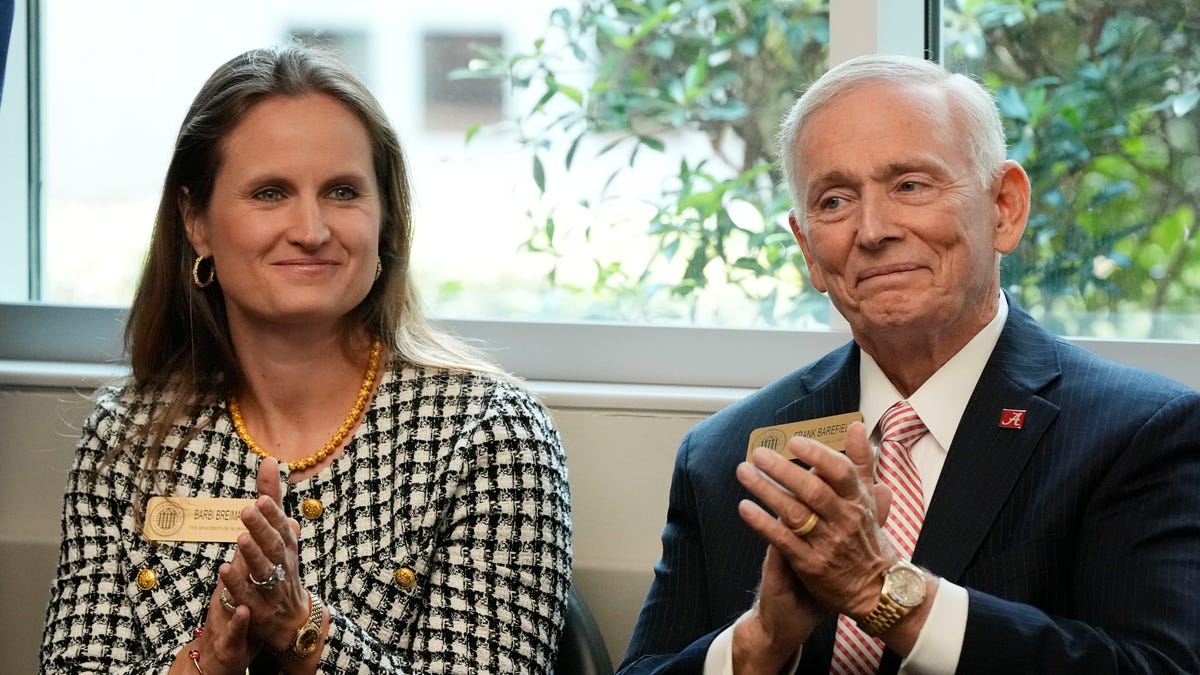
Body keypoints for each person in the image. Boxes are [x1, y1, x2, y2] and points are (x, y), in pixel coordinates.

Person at [619, 53, 1200, 675]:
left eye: (910, 186)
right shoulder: (728, 455)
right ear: (808, 249)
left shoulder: (1140, 435)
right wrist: (761, 641)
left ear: (1004, 207)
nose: (873, 230)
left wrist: (882, 591)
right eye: (835, 201)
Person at [40, 43, 572, 674]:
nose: (312, 231)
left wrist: (301, 629)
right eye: (270, 193)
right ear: (196, 221)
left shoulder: (489, 434)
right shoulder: (127, 436)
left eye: (343, 192)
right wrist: (210, 659)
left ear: (385, 220)